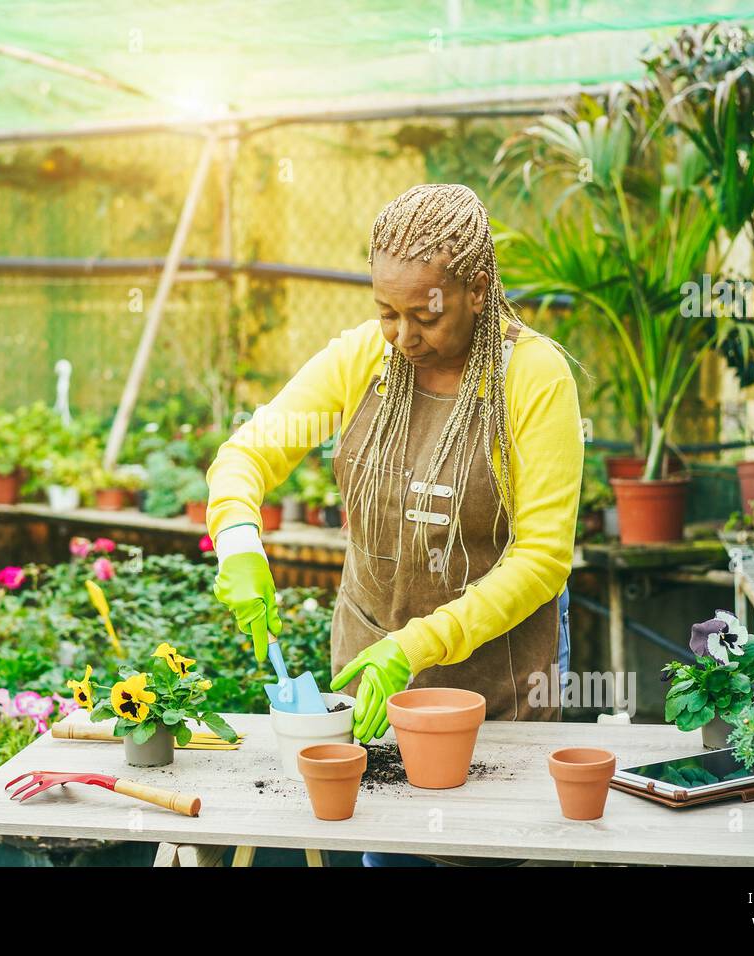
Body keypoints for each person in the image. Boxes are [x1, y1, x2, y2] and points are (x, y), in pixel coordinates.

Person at [209, 184, 583, 860]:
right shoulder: (361, 361)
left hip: (490, 695)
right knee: (387, 853)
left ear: (476, 288)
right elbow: (247, 454)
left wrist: (415, 647)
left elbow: (543, 558)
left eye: (424, 315)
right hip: (370, 691)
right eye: (386, 311)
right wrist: (238, 541)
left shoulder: (533, 378)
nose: (403, 336)